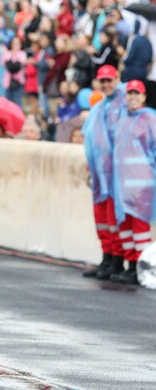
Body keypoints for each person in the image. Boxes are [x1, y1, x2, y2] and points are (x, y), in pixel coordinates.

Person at [82, 64, 127, 280]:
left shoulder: (124, 103)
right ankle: (107, 258)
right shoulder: (99, 107)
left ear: (117, 79)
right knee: (101, 217)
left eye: (110, 80)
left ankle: (117, 262)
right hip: (100, 171)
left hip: (117, 172)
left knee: (115, 218)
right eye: (103, 81)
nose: (107, 84)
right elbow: (91, 140)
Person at [110, 80, 156, 284]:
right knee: (125, 226)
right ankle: (130, 265)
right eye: (130, 93)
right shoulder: (123, 118)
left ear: (144, 96)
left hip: (142, 185)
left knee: (140, 228)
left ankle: (140, 266)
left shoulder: (150, 119)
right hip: (123, 185)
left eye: (137, 93)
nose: (133, 97)